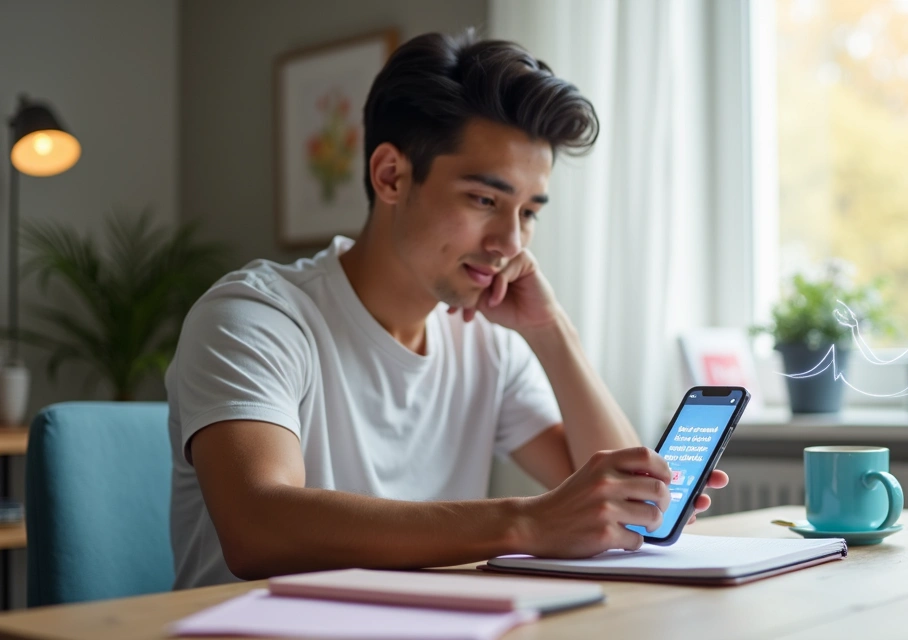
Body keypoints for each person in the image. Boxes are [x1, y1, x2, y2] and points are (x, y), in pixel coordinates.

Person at [166, 31, 728, 589]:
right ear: (390, 175)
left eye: (529, 211)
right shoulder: (255, 317)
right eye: (484, 200)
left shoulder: (487, 344)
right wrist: (526, 523)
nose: (511, 242)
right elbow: (258, 528)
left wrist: (551, 331)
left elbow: (630, 508)